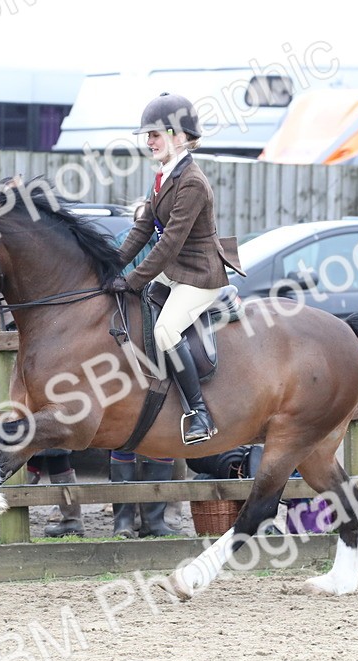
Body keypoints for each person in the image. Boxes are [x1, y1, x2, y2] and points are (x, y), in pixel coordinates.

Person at [104, 92, 232, 445]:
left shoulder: (192, 182)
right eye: (147, 136)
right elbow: (142, 228)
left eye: (155, 135)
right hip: (175, 270)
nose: (149, 142)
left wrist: (131, 279)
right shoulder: (163, 175)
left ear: (178, 137)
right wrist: (111, 264)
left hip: (199, 275)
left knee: (165, 332)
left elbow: (168, 244)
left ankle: (199, 414)